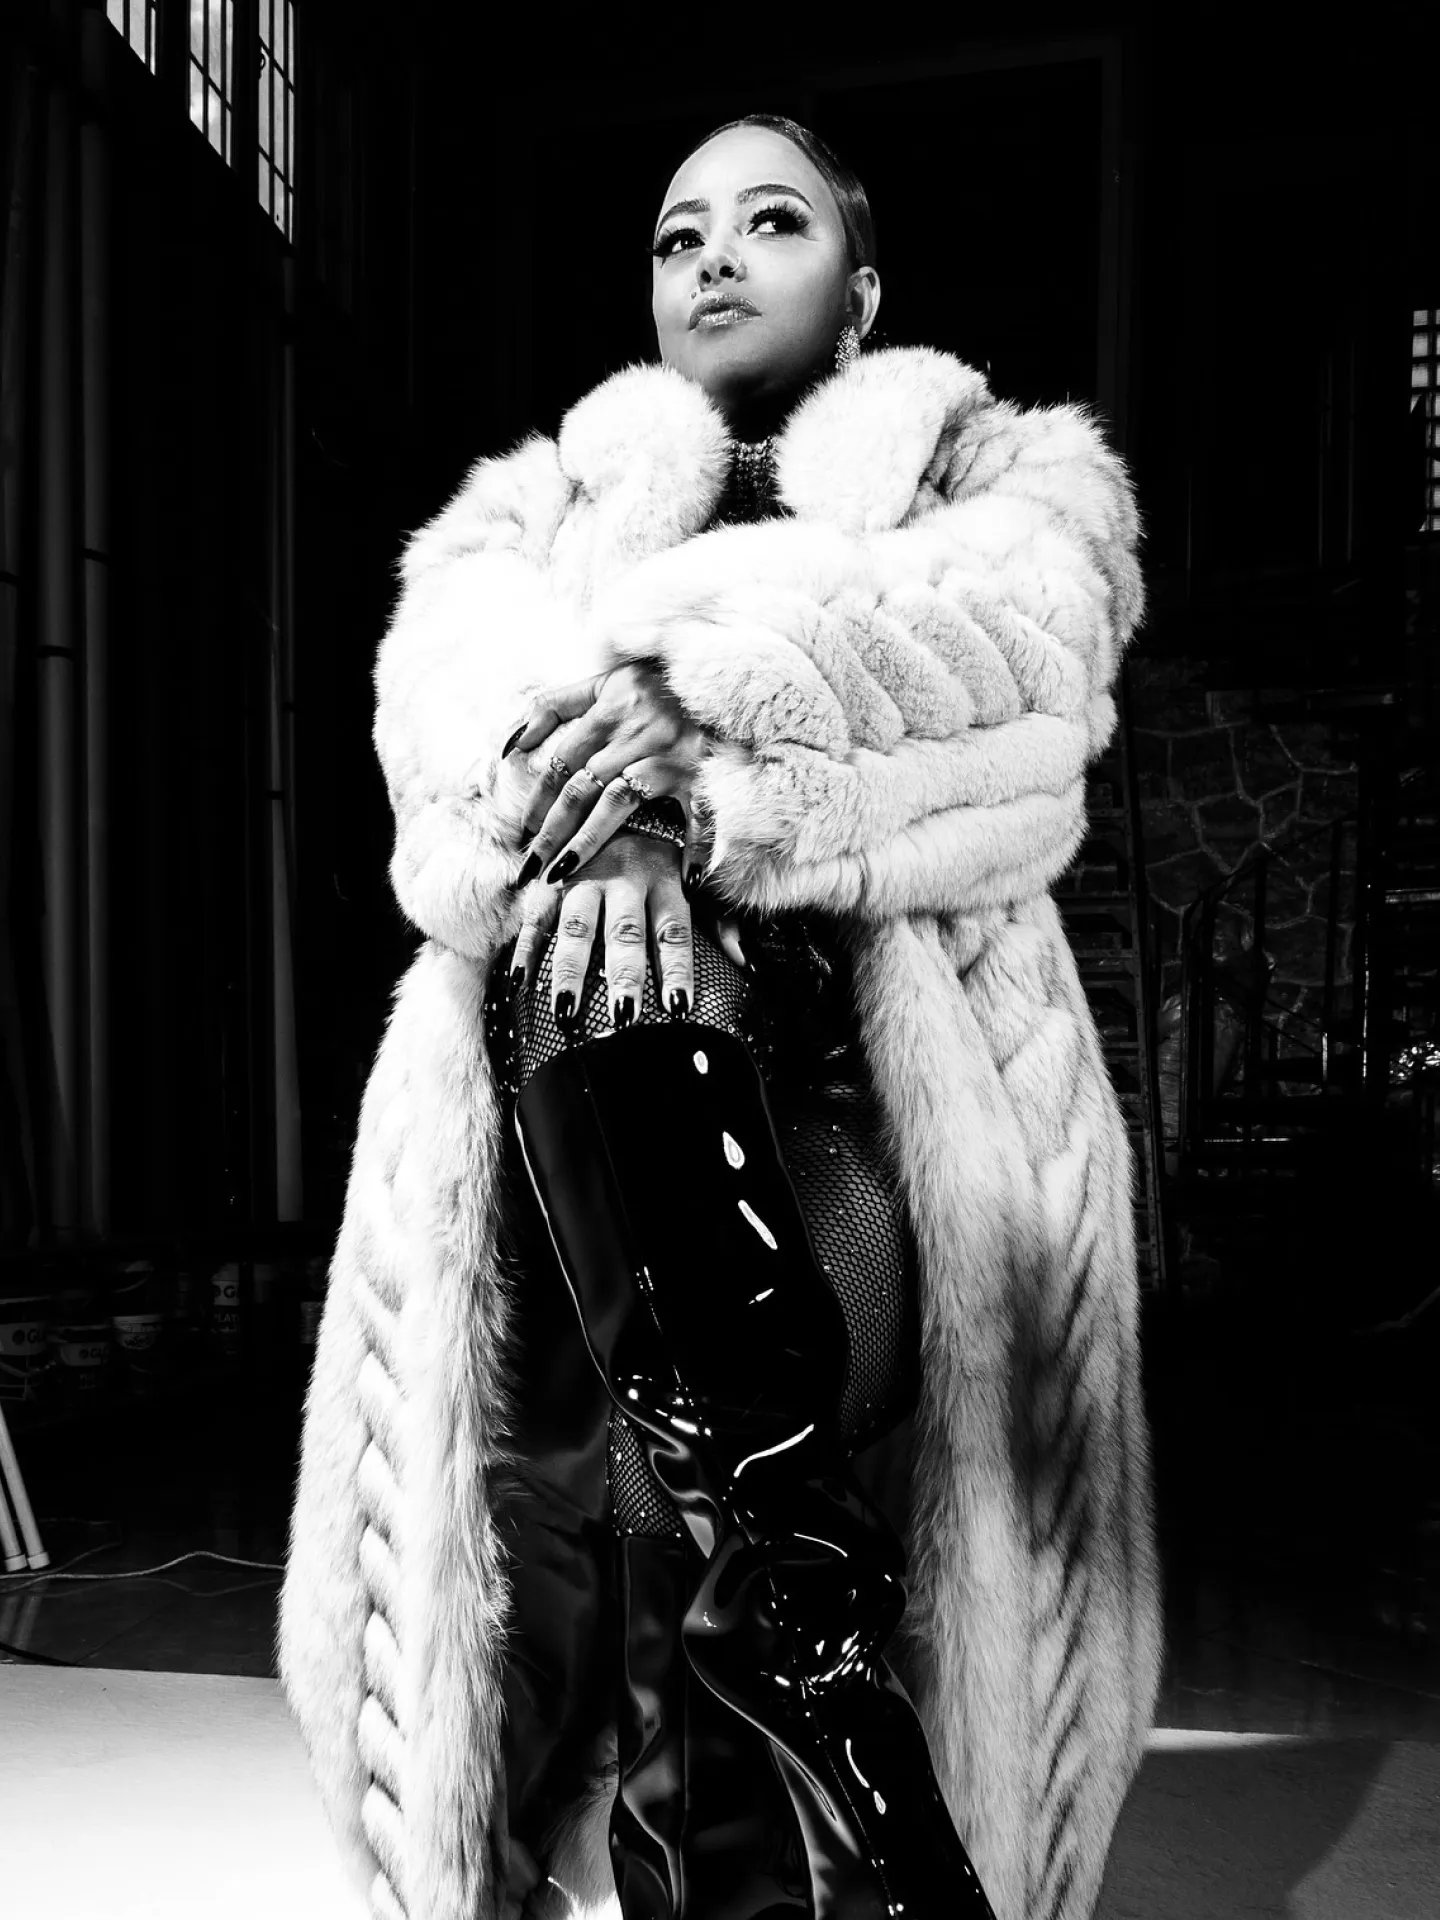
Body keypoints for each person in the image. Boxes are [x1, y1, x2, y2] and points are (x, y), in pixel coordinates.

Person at [279, 114, 1161, 1920]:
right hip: (567, 1104)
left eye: (772, 222)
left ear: (862, 290)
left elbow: (1019, 665)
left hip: (869, 1095)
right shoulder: (531, 515)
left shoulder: (994, 479)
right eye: (680, 235)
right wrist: (620, 828)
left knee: (717, 1407)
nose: (716, 260)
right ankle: (813, 1675)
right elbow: (444, 741)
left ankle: (802, 1663)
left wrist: (712, 721)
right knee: (628, 1452)